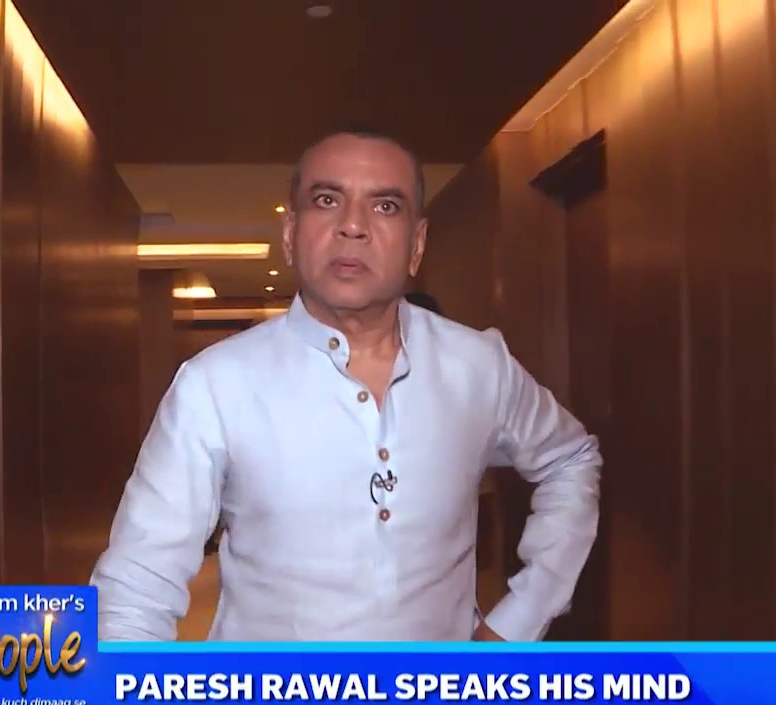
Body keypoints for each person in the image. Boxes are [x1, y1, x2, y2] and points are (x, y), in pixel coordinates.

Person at [90, 128, 602, 641]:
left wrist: (518, 621)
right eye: (327, 200)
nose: (353, 225)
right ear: (290, 235)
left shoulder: (479, 365)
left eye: (385, 206)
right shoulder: (213, 385)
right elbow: (136, 587)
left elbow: (571, 460)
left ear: (416, 245)